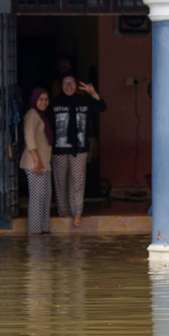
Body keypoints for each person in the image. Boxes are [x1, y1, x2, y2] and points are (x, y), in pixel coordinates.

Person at [50, 75, 107, 227]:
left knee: (77, 182)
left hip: (80, 148)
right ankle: (64, 212)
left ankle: (77, 214)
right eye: (65, 83)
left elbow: (101, 107)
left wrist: (92, 92)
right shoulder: (54, 103)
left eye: (72, 83)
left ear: (76, 85)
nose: (69, 86)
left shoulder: (84, 101)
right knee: (61, 182)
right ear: (60, 85)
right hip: (59, 149)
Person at [20, 88, 53, 235]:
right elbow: (29, 138)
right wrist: (37, 161)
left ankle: (43, 230)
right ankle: (34, 232)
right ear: (34, 100)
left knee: (45, 198)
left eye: (46, 99)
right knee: (37, 198)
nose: (44, 102)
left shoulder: (41, 116)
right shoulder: (32, 114)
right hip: (35, 164)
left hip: (43, 164)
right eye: (40, 99)